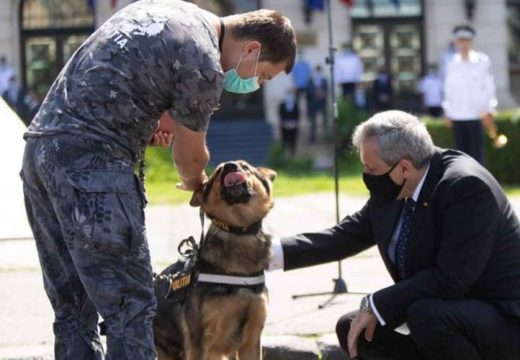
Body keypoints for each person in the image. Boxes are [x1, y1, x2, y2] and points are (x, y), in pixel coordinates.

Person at [20, 1, 296, 358]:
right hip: (94, 168)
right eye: (263, 75)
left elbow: (120, 79)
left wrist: (149, 121)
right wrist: (198, 182)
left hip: (41, 154)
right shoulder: (205, 62)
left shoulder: (167, 10)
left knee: (73, 311)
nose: (255, 83)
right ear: (252, 50)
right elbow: (190, 157)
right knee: (132, 311)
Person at [270, 110, 520, 360]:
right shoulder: (395, 186)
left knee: (426, 315)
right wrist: (266, 254)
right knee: (354, 329)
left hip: (499, 319)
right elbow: (346, 235)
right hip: (439, 311)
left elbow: (451, 279)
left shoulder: (464, 187)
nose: (366, 176)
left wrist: (376, 304)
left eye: (371, 168)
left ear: (404, 168)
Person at [443, 25, 497, 165]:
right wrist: (448, 112)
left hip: (477, 115)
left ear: (471, 42)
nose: (463, 44)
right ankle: (464, 186)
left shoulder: (481, 61)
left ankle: (479, 185)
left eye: (466, 40)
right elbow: (448, 89)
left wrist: (489, 109)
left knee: (477, 156)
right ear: (455, 42)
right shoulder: (451, 63)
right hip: (458, 116)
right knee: (460, 156)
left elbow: (489, 87)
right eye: (460, 40)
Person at [306, 64, 328, 143]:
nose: (318, 72)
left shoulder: (324, 80)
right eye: (317, 70)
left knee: (325, 121)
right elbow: (308, 91)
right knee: (313, 122)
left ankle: (326, 138)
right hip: (313, 104)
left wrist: (322, 94)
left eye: (319, 70)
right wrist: (315, 94)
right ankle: (312, 139)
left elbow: (326, 90)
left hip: (322, 103)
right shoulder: (310, 81)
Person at [279, 89, 300, 155]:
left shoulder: (295, 105)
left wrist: (294, 123)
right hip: (284, 125)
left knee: (293, 140)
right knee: (285, 140)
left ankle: (292, 153)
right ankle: (284, 154)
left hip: (293, 125)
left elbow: (298, 115)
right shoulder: (282, 105)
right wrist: (284, 123)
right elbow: (280, 114)